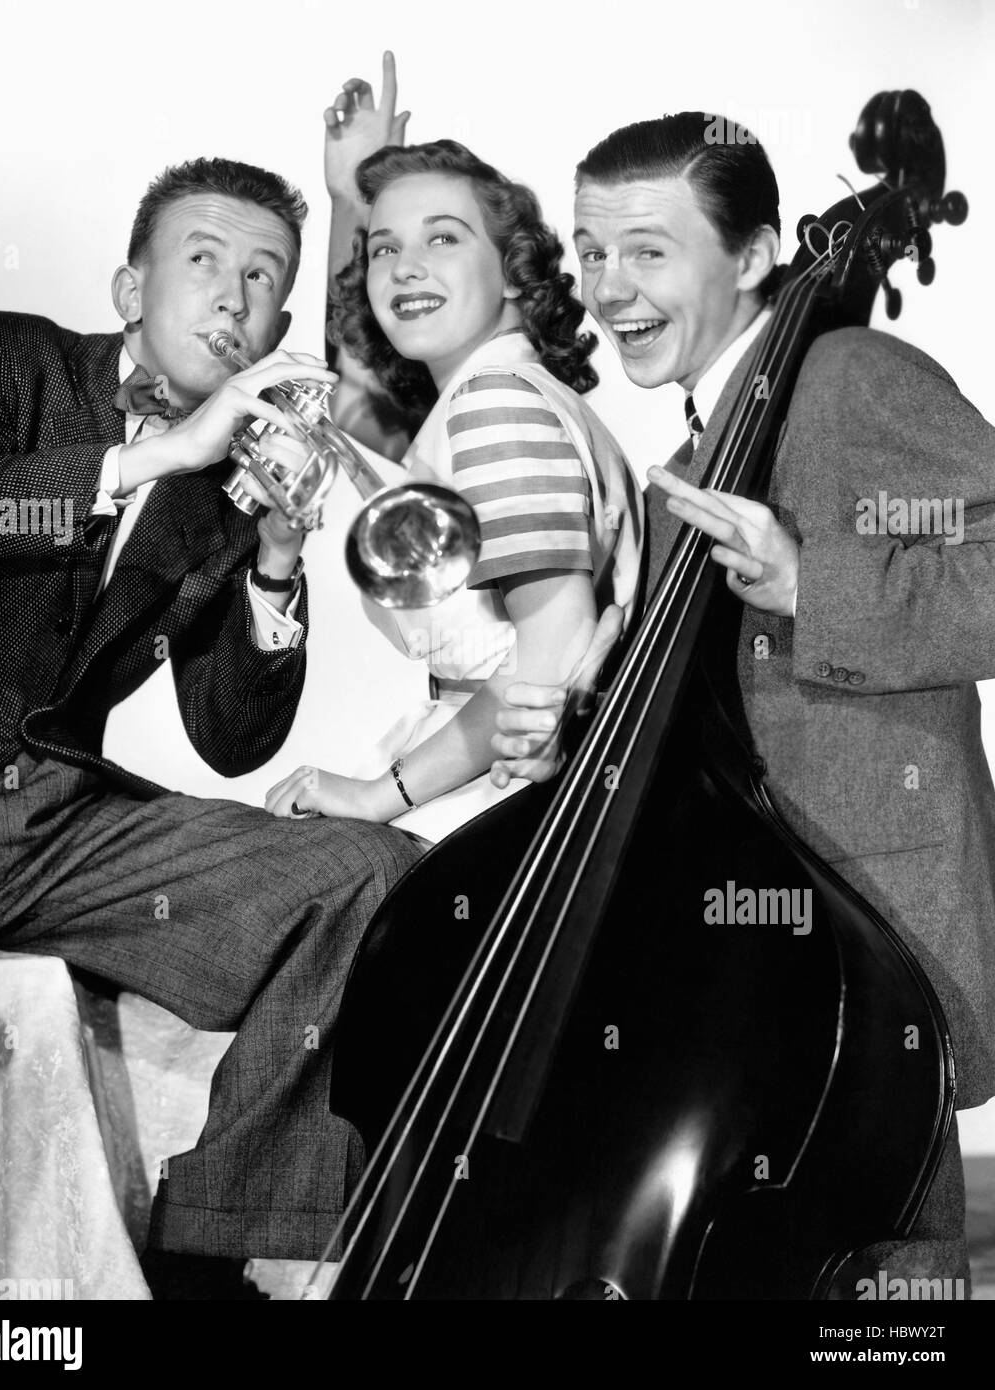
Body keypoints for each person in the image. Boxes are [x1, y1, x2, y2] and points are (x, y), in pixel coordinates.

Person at [492, 111, 995, 1295]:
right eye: (590, 251)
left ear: (758, 253)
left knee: (880, 1307)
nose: (608, 288)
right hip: (742, 966)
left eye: (647, 252)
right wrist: (573, 729)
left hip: (871, 948)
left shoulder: (847, 378)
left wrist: (811, 579)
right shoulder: (697, 458)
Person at [0, 154, 424, 1299]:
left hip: (57, 825)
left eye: (263, 279)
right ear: (126, 289)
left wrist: (277, 557)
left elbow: (232, 737)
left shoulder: (222, 486)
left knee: (369, 874)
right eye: (202, 262)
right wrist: (153, 454)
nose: (232, 298)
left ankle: (217, 1250)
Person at [265, 139, 641, 841]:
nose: (405, 267)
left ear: (513, 272)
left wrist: (383, 794)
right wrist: (350, 194)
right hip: (474, 778)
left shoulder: (494, 404)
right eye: (383, 249)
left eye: (444, 237)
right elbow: (354, 412)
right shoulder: (485, 396)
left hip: (504, 804)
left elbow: (553, 654)